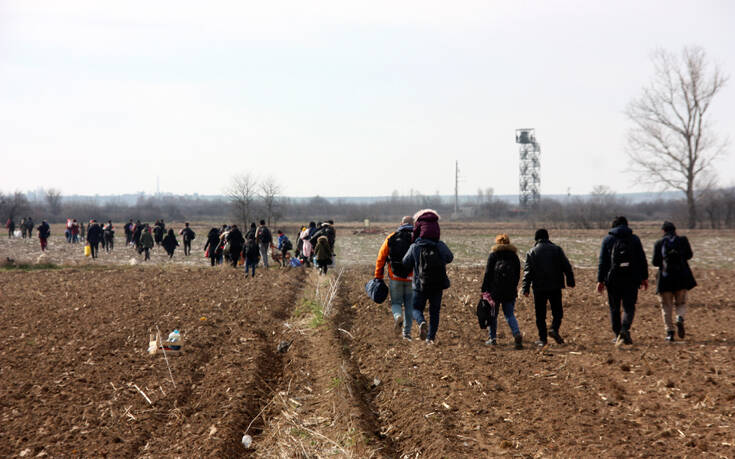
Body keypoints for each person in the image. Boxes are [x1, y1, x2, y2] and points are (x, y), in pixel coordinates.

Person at [401, 209, 454, 344]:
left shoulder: (415, 247)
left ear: (419, 229)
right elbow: (449, 258)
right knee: (434, 311)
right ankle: (430, 338)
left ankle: (421, 322)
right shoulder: (440, 245)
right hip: (437, 284)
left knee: (415, 308)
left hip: (420, 285)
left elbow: (405, 263)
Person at [597, 216, 649, 346]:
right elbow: (642, 259)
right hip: (631, 278)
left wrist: (600, 280)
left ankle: (617, 335)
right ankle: (625, 329)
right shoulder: (634, 239)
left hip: (613, 279)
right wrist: (644, 277)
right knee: (629, 307)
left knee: (614, 308)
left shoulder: (608, 240)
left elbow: (602, 262)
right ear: (627, 225)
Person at [522, 229, 575, 347]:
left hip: (539, 288)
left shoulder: (532, 252)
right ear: (547, 237)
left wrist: (525, 288)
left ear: (536, 239)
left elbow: (527, 272)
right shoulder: (557, 249)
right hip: (555, 286)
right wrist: (570, 281)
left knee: (540, 314)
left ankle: (542, 339)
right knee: (558, 312)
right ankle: (554, 328)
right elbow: (567, 266)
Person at [651, 221, 697, 342]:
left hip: (665, 279)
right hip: (681, 278)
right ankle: (679, 318)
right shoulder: (683, 240)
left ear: (663, 231)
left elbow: (655, 262)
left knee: (666, 306)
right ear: (675, 230)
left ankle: (670, 333)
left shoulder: (659, 243)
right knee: (680, 303)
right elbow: (689, 255)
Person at [374, 216, 415, 340]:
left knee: (396, 302)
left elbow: (381, 258)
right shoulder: (417, 238)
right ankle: (407, 333)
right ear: (414, 224)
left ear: (401, 223)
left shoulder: (391, 237)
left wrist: (378, 276)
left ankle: (397, 316)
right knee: (409, 305)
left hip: (395, 277)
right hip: (412, 278)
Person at [482, 234, 523, 349]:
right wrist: (514, 287)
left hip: (494, 291)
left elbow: (488, 274)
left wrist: (484, 289)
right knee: (509, 314)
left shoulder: (493, 255)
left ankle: (492, 338)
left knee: (493, 315)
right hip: (509, 291)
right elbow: (517, 275)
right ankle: (516, 333)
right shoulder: (514, 256)